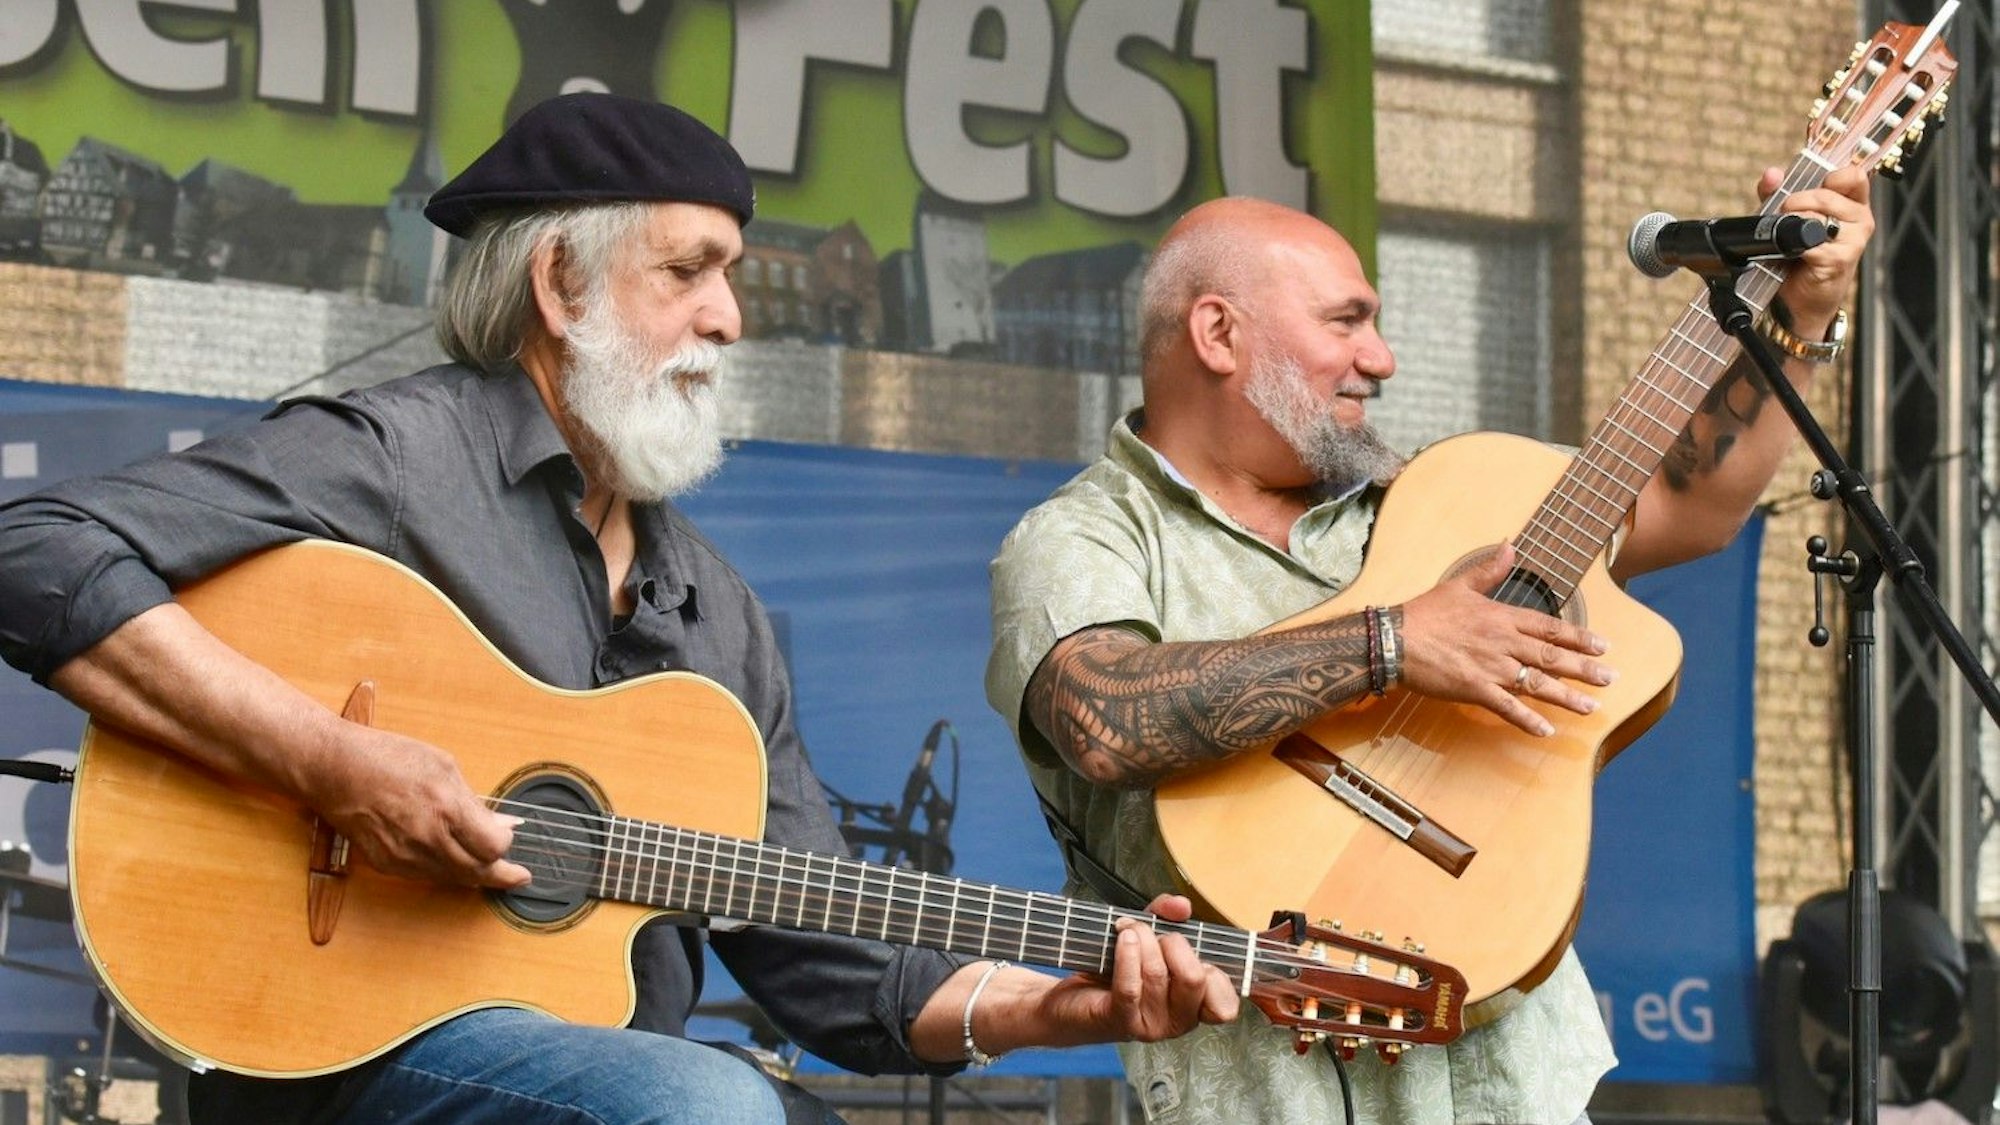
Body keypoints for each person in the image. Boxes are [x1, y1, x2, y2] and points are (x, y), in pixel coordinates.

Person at [0, 93, 1240, 1125]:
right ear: (559, 283)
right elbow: (35, 548)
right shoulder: (397, 460)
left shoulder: (715, 615)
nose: (729, 317)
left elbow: (835, 969)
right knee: (712, 1107)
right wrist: (332, 763)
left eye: (732, 275)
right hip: (338, 1063)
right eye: (688, 270)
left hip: (605, 1082)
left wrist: (1053, 1006)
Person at [985, 171, 1873, 1124]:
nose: (1383, 358)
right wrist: (1394, 640)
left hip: (1515, 1084)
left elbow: (1688, 500)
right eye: (1347, 321)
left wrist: (1801, 311)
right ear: (1218, 334)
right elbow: (1105, 718)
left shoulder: (1441, 497)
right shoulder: (1087, 536)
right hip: (1270, 1089)